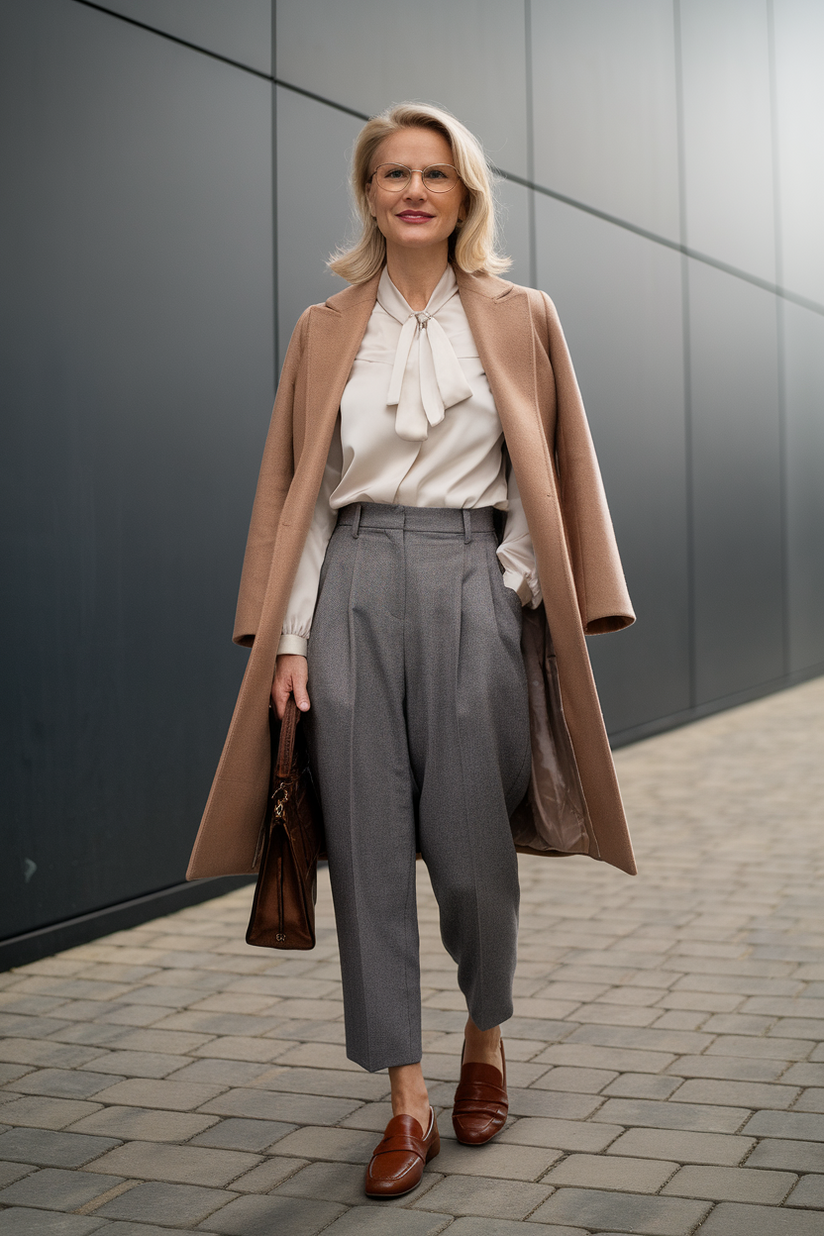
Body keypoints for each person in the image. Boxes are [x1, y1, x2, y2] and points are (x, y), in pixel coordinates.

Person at [187, 102, 636, 1199]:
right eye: (393, 172)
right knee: (371, 854)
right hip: (349, 589)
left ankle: (485, 1035)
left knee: (472, 852)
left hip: (470, 580)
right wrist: (290, 639)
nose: (414, 189)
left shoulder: (522, 314)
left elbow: (552, 467)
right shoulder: (325, 325)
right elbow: (304, 498)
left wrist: (515, 583)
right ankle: (404, 1097)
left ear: (463, 191)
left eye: (435, 172)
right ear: (369, 192)